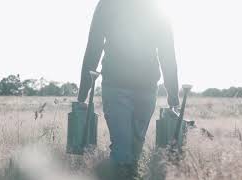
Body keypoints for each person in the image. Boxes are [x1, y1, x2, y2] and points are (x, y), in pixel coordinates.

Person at [77, 0, 179, 179]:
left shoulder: (154, 7)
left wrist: (173, 96)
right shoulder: (108, 4)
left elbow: (167, 51)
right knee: (122, 150)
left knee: (135, 149)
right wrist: (83, 92)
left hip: (146, 90)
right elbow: (94, 45)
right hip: (116, 87)